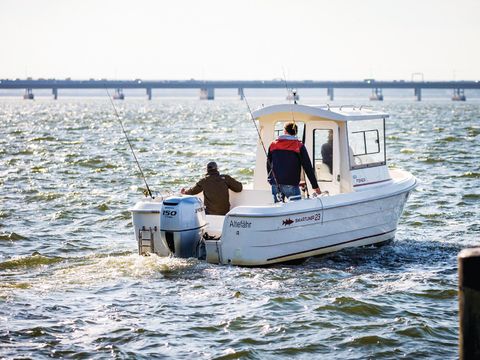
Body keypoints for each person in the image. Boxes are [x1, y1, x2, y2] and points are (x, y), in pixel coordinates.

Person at [267, 122, 321, 202]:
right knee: (296, 209)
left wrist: (270, 178)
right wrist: (315, 187)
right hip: (291, 184)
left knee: (278, 209)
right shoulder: (299, 146)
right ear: (295, 132)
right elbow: (308, 167)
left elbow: (268, 164)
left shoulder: (273, 144)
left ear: (284, 131)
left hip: (275, 183)